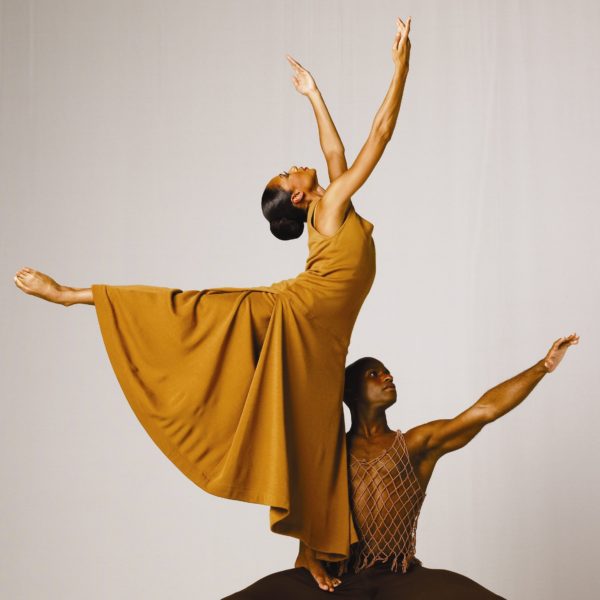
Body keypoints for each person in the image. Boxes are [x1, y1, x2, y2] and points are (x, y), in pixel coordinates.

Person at [12, 17, 412, 562]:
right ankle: (71, 295)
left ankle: (311, 551)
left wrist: (314, 95)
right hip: (283, 315)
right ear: (296, 199)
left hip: (320, 338)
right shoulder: (332, 206)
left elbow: (335, 150)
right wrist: (400, 66)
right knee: (190, 310)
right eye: (286, 175)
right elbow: (379, 136)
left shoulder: (331, 201)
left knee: (315, 438)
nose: (294, 167)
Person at [224, 333, 579, 598]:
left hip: (400, 577)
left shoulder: (414, 445)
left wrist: (543, 367)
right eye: (374, 374)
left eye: (388, 373)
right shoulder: (326, 453)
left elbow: (483, 411)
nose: (387, 378)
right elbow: (306, 518)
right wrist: (306, 554)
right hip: (336, 579)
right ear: (347, 391)